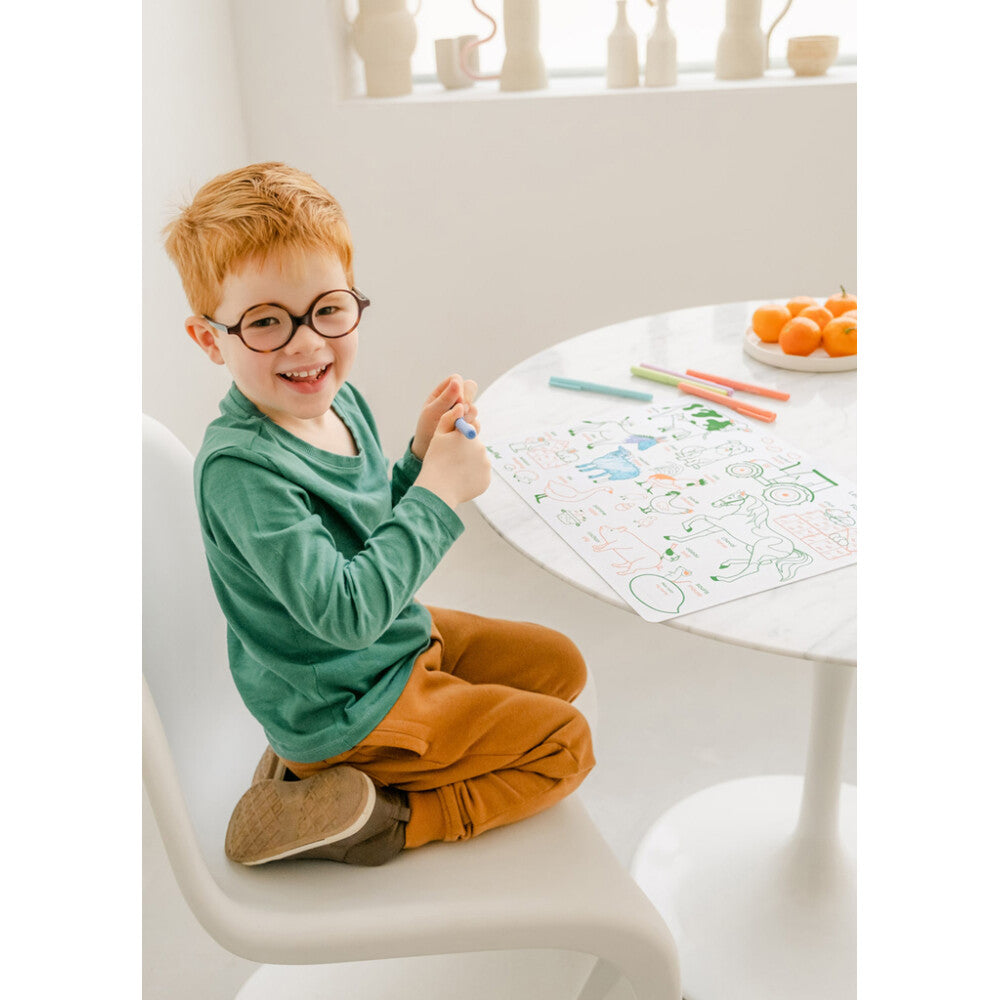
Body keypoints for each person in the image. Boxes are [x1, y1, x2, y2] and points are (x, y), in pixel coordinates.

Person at [162, 162, 595, 866]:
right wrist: (439, 494)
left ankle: (331, 773)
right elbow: (346, 614)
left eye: (327, 310)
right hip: (341, 702)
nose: (307, 343)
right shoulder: (242, 471)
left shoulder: (337, 402)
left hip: (383, 648)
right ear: (211, 339)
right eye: (266, 322)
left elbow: (365, 534)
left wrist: (419, 460)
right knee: (565, 745)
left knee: (560, 666)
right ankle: (386, 820)